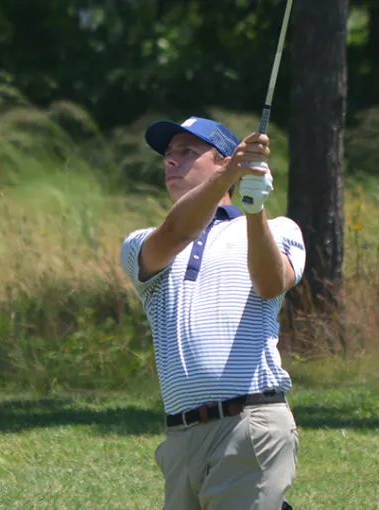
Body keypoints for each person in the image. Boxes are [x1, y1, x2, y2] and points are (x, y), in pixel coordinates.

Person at [119, 115, 307, 510]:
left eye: (187, 152)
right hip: (181, 439)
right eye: (169, 155)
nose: (172, 161)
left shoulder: (280, 228)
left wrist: (254, 207)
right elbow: (175, 234)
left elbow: (271, 282)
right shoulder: (144, 242)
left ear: (225, 161)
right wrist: (227, 180)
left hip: (250, 422)